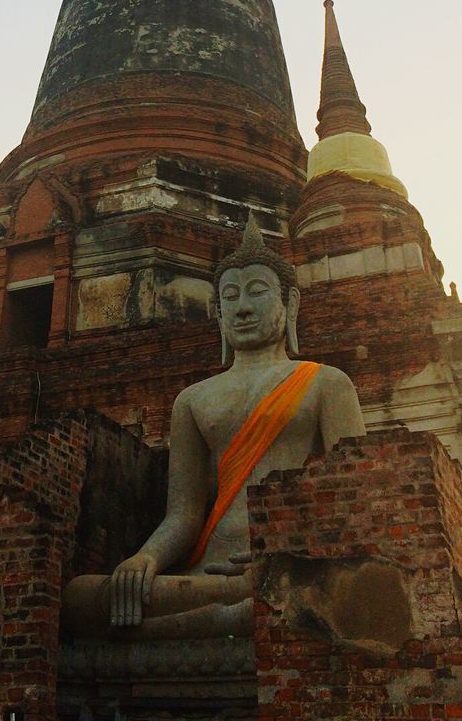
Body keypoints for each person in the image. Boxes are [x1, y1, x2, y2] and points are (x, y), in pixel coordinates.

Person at [62, 213, 366, 639]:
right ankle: (237, 618)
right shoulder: (193, 399)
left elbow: (356, 495)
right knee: (81, 596)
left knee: (309, 589)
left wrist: (296, 547)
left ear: (290, 303)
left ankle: (231, 617)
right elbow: (184, 514)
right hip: (209, 570)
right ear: (217, 313)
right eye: (229, 296)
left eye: (257, 292)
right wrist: (145, 559)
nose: (242, 307)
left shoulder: (325, 384)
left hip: (292, 561)